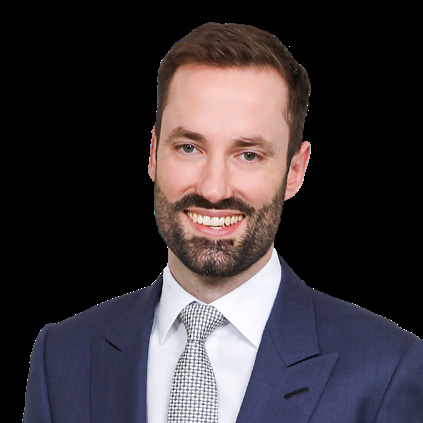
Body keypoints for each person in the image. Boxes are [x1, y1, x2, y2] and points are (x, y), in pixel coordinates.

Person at [24, 22, 422, 423]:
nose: (214, 189)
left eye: (248, 154)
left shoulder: (387, 368)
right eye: (189, 147)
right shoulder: (60, 356)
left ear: (295, 171)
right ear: (153, 154)